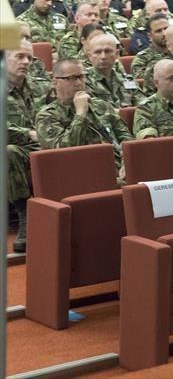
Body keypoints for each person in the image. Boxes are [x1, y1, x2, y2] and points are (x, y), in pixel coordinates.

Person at [36, 58, 131, 163]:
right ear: (55, 82)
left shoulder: (101, 105)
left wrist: (126, 161)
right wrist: (80, 114)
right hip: (83, 169)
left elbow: (125, 137)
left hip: (117, 165)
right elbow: (64, 151)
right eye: (71, 78)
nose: (78, 83)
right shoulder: (47, 116)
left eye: (81, 77)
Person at [5, 38, 48, 253]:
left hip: (44, 144)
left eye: (29, 57)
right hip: (16, 147)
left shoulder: (41, 85)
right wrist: (29, 134)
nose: (26, 62)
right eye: (19, 56)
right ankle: (25, 216)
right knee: (9, 152)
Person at [84, 32, 142, 107]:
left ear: (117, 54)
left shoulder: (127, 80)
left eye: (108, 51)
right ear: (89, 56)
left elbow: (144, 107)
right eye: (97, 52)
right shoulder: (83, 81)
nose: (103, 57)